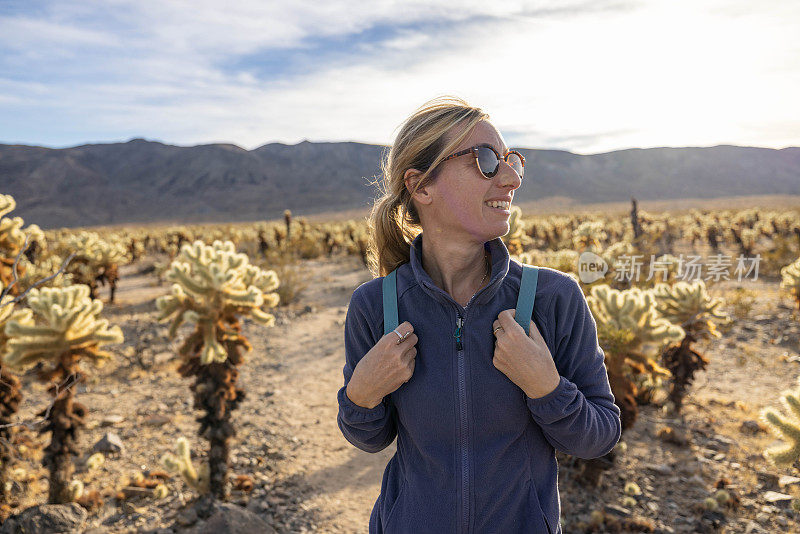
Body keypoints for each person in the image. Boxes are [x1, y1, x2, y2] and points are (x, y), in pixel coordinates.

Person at [336, 95, 622, 534]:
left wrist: (545, 386)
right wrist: (361, 394)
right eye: (486, 160)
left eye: (512, 161)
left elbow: (599, 435)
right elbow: (369, 438)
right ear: (421, 185)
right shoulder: (376, 305)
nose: (510, 178)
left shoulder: (551, 297)